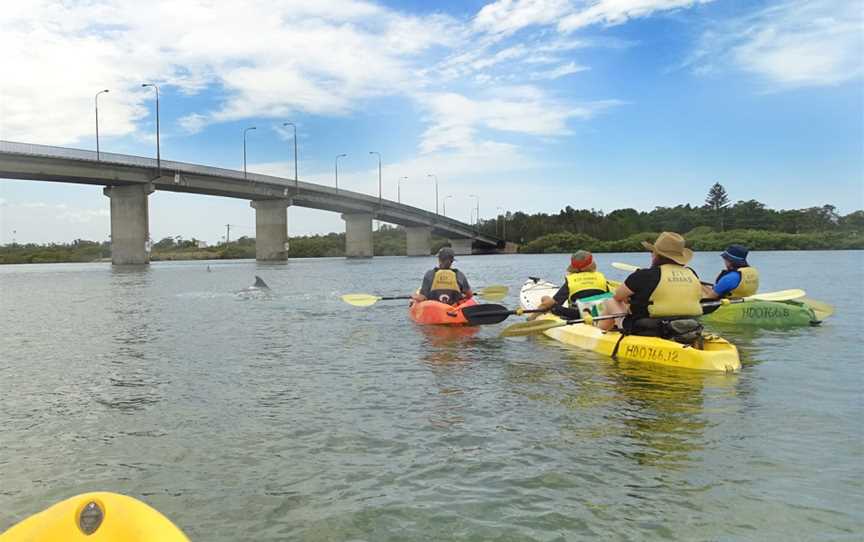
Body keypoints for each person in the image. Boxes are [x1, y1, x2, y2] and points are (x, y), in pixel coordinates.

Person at [598, 231, 703, 334]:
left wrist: (628, 300)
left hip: (650, 328)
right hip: (689, 326)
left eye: (652, 252)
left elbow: (617, 296)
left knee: (610, 301)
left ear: (656, 254)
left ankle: (600, 332)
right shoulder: (692, 273)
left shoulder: (644, 275)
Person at [531, 250, 611, 320]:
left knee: (546, 298)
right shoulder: (601, 277)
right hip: (600, 312)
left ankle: (533, 316)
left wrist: (538, 313)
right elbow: (609, 298)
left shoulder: (570, 280)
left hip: (576, 314)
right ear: (592, 265)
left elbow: (555, 302)